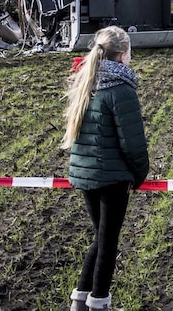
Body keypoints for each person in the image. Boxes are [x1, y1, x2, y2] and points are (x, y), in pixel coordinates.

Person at [61, 26, 150, 311]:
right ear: (123, 55)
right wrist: (139, 175)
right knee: (108, 244)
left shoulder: (87, 81)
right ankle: (99, 303)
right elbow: (132, 142)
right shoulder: (120, 89)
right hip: (111, 179)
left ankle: (80, 301)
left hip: (86, 175)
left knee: (100, 239)